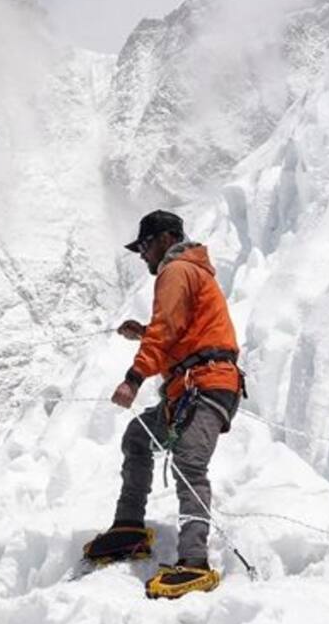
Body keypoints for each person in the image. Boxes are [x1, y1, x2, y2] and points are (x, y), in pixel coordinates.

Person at [83, 210, 244, 598]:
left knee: (189, 462)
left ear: (166, 238)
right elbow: (175, 335)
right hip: (196, 386)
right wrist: (144, 334)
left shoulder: (176, 271)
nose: (142, 255)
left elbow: (168, 330)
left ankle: (194, 562)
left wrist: (133, 379)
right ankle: (129, 528)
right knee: (139, 438)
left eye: (145, 245)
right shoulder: (190, 272)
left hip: (205, 385)